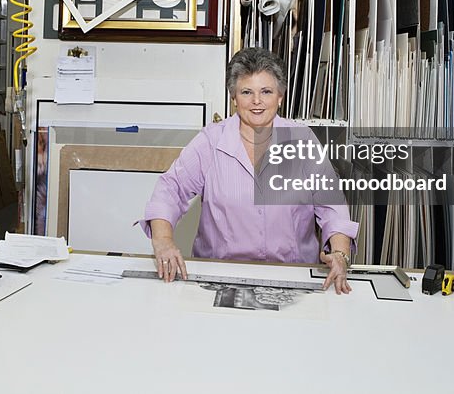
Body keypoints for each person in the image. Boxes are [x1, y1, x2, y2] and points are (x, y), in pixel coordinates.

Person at [141, 47, 359, 294]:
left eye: (266, 91)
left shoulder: (303, 140)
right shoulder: (210, 141)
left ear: (280, 96)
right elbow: (170, 189)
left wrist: (340, 253)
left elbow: (333, 207)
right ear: (234, 98)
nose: (257, 101)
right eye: (247, 92)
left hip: (293, 276)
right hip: (220, 276)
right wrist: (164, 242)